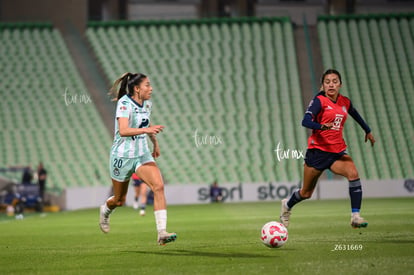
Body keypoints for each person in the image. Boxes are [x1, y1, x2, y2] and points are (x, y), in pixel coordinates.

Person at [280, 69, 376, 229]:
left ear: (340, 84)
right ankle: (287, 206)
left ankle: (355, 216)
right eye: (327, 82)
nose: (331, 84)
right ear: (323, 85)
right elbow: (305, 121)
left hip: (337, 152)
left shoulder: (345, 101)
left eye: (335, 81)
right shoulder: (319, 100)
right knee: (306, 193)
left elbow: (355, 114)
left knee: (353, 173)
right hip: (317, 152)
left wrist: (368, 130)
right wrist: (321, 126)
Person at [99, 72, 177, 245]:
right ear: (136, 88)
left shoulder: (147, 104)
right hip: (122, 157)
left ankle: (161, 232)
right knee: (119, 200)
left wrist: (155, 143)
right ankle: (105, 211)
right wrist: (147, 131)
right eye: (147, 85)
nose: (151, 88)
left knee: (158, 186)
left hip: (142, 154)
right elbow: (124, 130)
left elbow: (146, 123)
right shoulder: (124, 103)